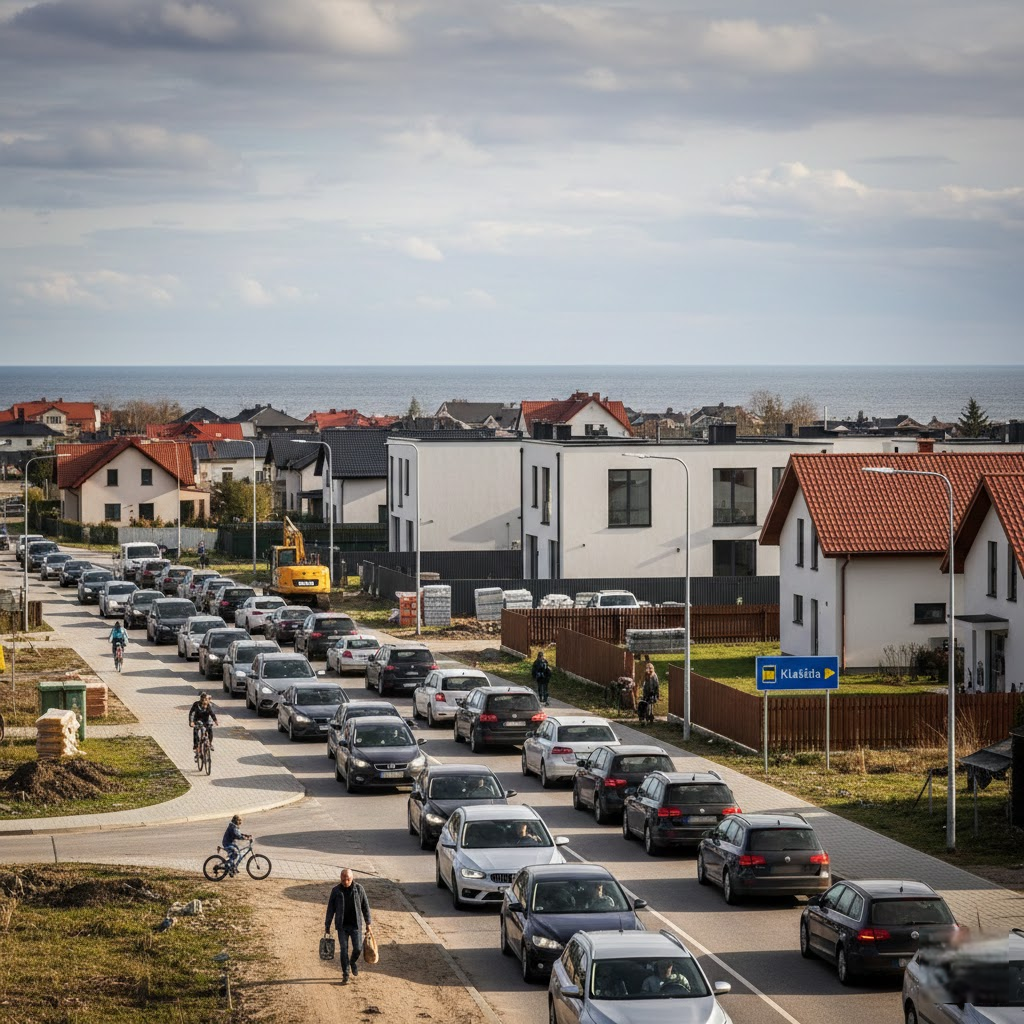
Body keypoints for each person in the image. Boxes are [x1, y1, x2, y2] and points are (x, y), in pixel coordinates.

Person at [324, 868, 372, 985]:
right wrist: (327, 925)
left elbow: (365, 907)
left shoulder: (359, 889)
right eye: (343, 879)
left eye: (348, 879)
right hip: (342, 926)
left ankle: (352, 962)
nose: (346, 882)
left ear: (352, 878)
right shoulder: (335, 891)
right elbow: (330, 909)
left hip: (356, 925)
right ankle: (345, 974)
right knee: (343, 950)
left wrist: (368, 924)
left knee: (358, 948)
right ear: (340, 878)